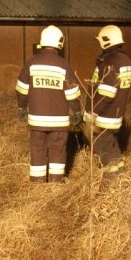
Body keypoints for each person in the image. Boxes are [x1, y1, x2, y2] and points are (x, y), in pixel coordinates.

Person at [15, 25, 83, 183]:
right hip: (59, 121)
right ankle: (55, 182)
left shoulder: (32, 63)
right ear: (59, 42)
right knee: (58, 151)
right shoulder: (63, 65)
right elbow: (72, 93)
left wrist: (22, 107)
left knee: (37, 150)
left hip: (37, 120)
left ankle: (37, 184)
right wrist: (77, 112)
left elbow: (21, 88)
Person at [87, 25, 131, 179]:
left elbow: (107, 92)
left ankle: (112, 181)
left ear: (106, 41)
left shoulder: (111, 61)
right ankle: (121, 175)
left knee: (103, 147)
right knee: (112, 144)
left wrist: (94, 111)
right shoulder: (125, 60)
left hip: (105, 114)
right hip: (116, 113)